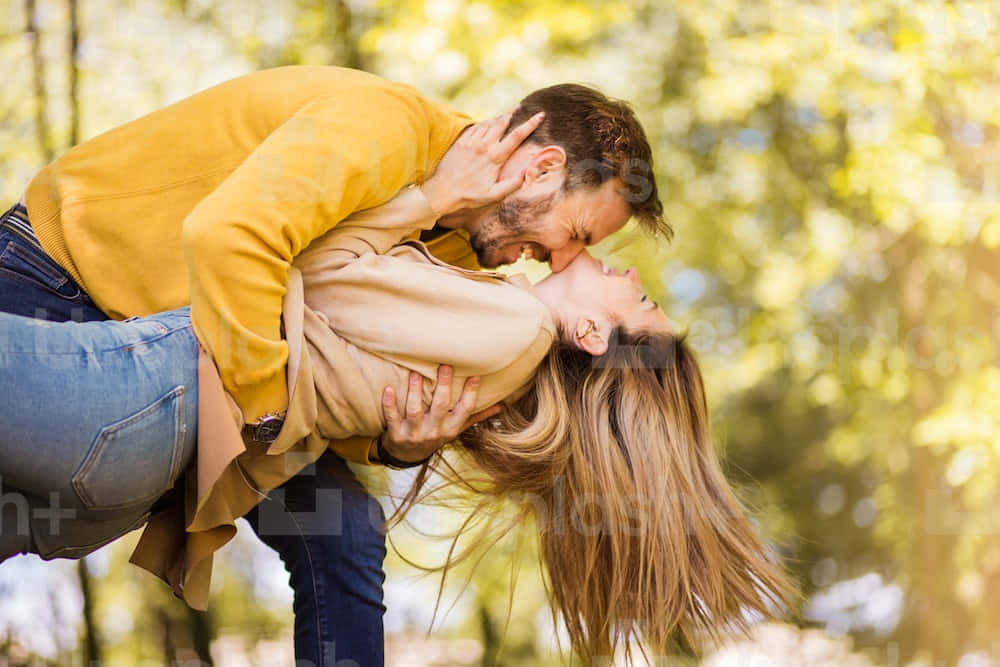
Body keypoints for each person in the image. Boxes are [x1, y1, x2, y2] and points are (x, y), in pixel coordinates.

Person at [0, 65, 689, 664]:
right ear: (540, 169)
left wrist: (393, 443)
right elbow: (230, 243)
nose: (560, 260)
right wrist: (267, 412)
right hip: (70, 281)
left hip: (220, 367)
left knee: (345, 529)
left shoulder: (460, 255)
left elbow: (334, 367)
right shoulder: (385, 127)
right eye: (572, 235)